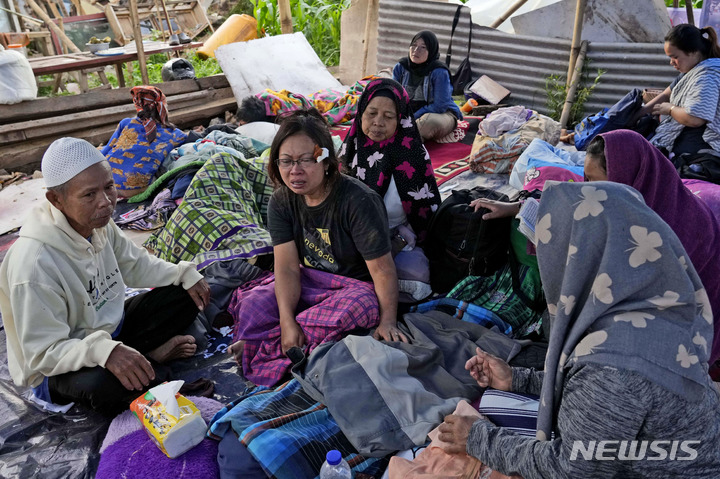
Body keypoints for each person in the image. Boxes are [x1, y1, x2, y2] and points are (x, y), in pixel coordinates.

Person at [438, 181, 720, 478]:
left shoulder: (615, 368)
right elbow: (594, 394)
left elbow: (571, 469)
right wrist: (517, 379)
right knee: (494, 403)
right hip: (660, 454)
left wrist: (476, 439)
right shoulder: (656, 308)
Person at [474, 130, 720, 368]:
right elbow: (577, 212)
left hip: (677, 336)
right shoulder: (640, 201)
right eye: (586, 179)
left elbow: (648, 304)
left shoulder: (681, 230)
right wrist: (518, 207)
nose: (586, 189)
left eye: (593, 181)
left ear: (626, 178)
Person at [0, 137, 211, 415]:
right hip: (60, 367)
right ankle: (150, 364)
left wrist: (184, 273)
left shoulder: (99, 223)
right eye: (89, 195)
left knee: (185, 292)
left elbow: (136, 266)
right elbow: (43, 354)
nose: (107, 202)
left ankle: (141, 361)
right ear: (56, 199)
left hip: (111, 334)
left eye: (109, 187)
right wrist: (104, 352)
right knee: (102, 385)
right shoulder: (34, 263)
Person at [227, 109, 407, 385]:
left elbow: (382, 270)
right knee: (253, 302)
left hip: (351, 288)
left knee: (359, 308)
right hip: (310, 281)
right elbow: (287, 267)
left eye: (306, 160)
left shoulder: (358, 201)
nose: (294, 171)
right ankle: (282, 342)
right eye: (286, 161)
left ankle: (263, 347)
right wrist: (287, 321)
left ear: (326, 162)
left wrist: (388, 322)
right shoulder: (282, 201)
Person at [342, 77, 441, 300]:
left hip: (394, 237)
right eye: (371, 113)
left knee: (418, 274)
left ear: (402, 120)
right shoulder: (352, 146)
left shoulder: (412, 155)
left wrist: (399, 239)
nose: (378, 122)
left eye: (388, 116)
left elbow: (425, 216)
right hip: (350, 234)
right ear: (361, 112)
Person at [642, 24, 720, 156]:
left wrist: (670, 109)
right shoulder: (691, 71)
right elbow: (666, 94)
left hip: (705, 144)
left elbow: (695, 119)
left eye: (675, 57)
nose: (671, 63)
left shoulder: (707, 76)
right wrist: (637, 114)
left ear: (694, 51)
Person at [101, 85, 187, 197]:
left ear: (138, 106)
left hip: (108, 185)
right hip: (136, 189)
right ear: (163, 107)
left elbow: (106, 150)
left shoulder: (126, 123)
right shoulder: (177, 134)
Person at [392, 30, 462, 141]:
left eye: (423, 47)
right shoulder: (401, 67)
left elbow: (440, 106)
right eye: (414, 45)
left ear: (431, 50)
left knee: (428, 123)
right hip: (408, 114)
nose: (416, 50)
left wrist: (413, 117)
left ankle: (405, 141)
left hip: (440, 114)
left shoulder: (439, 72)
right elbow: (394, 96)